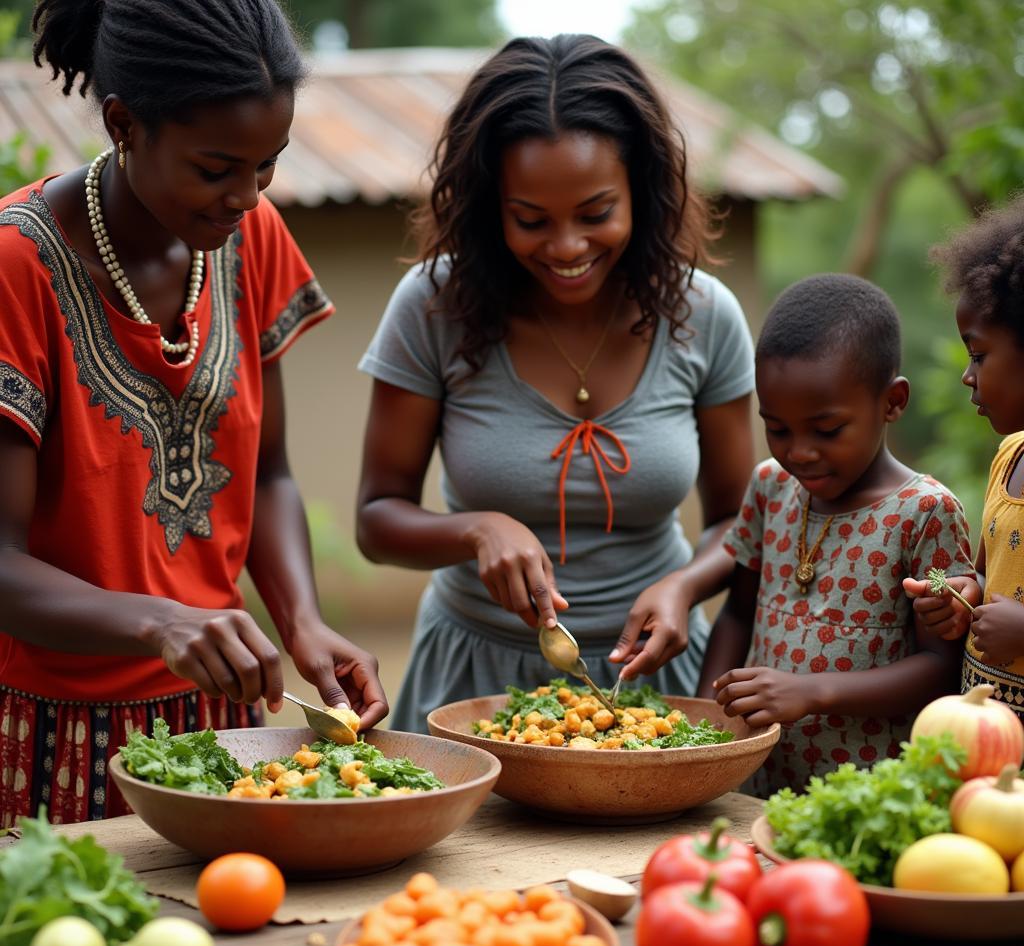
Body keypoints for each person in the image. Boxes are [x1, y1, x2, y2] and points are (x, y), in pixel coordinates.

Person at [0, 0, 387, 828]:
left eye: (268, 165)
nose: (246, 196)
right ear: (124, 123)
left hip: (220, 731)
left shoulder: (249, 239)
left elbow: (268, 470)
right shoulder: (17, 267)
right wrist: (160, 621)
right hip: (50, 736)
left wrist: (304, 624)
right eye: (216, 169)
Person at [356, 34, 756, 733]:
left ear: (644, 191)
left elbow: (741, 517)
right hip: (471, 683)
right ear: (491, 207)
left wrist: (683, 587)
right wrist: (477, 529)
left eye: (597, 214)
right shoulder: (433, 307)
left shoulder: (704, 317)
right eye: (531, 221)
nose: (567, 248)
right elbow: (377, 519)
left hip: (652, 684)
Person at [697, 273, 975, 797]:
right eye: (777, 428)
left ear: (892, 402)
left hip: (863, 793)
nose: (799, 451)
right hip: (756, 782)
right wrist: (709, 725)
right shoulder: (770, 487)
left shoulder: (926, 513)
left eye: (826, 430)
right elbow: (737, 613)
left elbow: (941, 669)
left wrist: (813, 691)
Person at [906, 198, 1024, 721]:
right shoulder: (1008, 456)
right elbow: (987, 576)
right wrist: (963, 596)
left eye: (979, 355)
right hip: (984, 724)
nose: (967, 375)